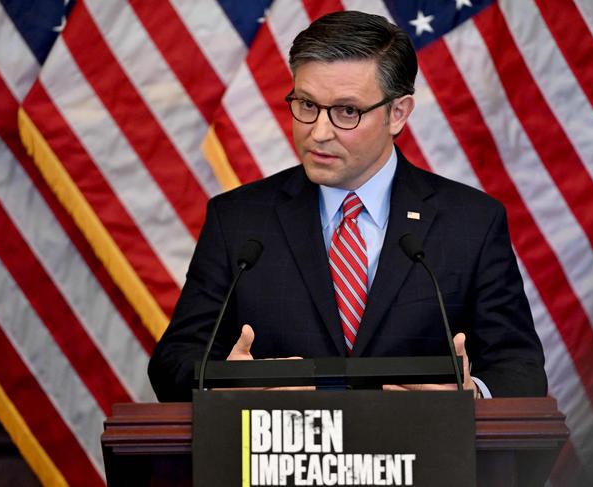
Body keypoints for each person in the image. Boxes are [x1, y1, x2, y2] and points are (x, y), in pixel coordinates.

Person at [148, 10, 547, 402]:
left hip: (422, 457)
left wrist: (471, 396)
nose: (318, 133)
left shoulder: (471, 223)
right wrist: (223, 383)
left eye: (347, 111)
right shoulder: (237, 220)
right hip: (280, 459)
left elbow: (520, 368)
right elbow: (174, 362)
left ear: (398, 113)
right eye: (306, 105)